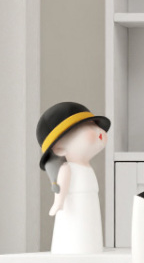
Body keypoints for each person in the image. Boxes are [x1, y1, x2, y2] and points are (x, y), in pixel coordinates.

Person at [35, 101, 110, 254]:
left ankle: (92, 247)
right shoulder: (67, 169)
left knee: (90, 232)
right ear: (59, 148)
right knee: (76, 235)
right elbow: (61, 187)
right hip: (74, 212)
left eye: (94, 124)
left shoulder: (85, 167)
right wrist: (59, 202)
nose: (98, 131)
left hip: (89, 208)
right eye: (86, 127)